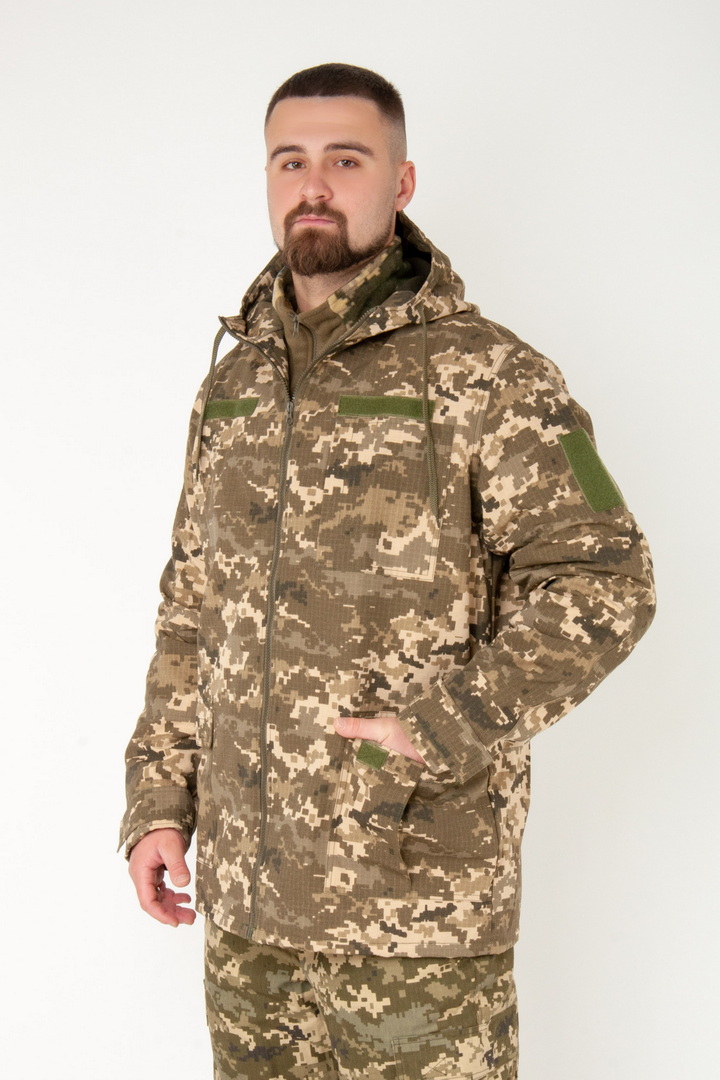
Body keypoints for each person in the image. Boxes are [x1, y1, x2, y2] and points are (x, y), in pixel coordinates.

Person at [121, 63, 655, 1079]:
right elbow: (191, 604)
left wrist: (445, 723)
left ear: (401, 182)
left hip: (415, 910)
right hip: (248, 919)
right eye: (290, 161)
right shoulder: (235, 384)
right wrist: (158, 800)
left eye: (347, 159)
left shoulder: (491, 375)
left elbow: (606, 580)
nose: (313, 185)